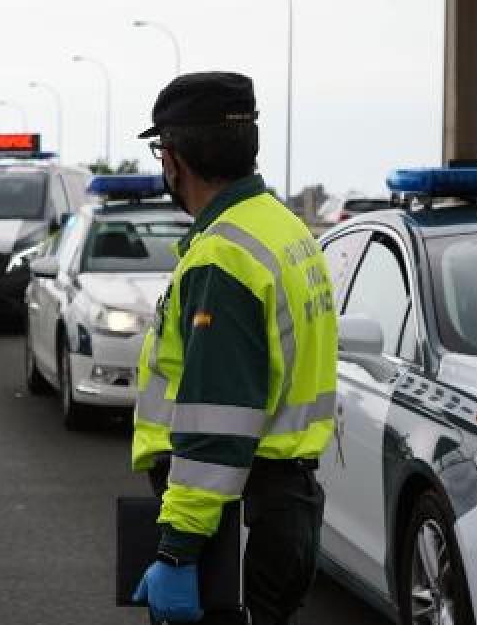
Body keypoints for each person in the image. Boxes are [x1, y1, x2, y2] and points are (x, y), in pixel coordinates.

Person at [129, 72, 338, 624]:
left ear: (172, 159)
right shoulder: (286, 230)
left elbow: (217, 421)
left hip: (236, 517)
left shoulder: (225, 258)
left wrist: (177, 550)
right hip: (282, 504)